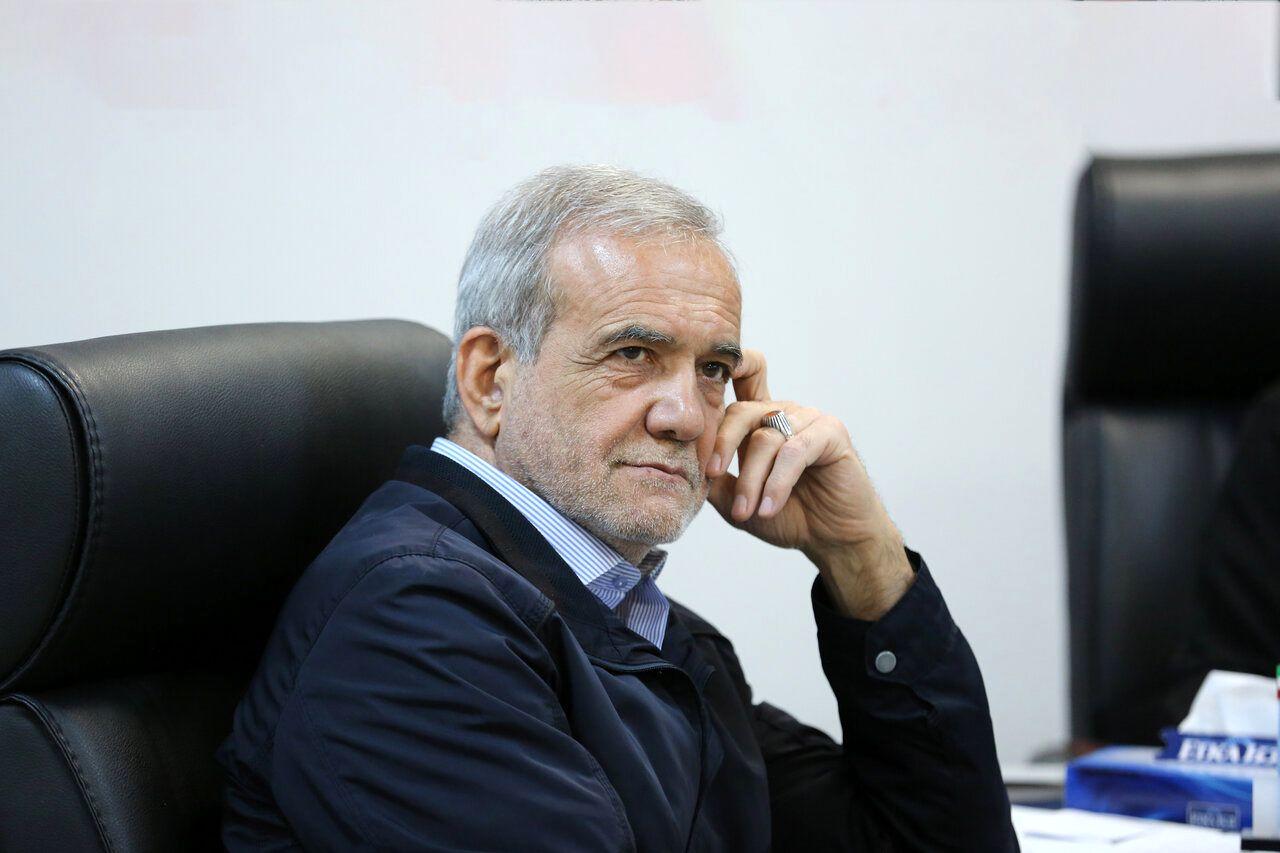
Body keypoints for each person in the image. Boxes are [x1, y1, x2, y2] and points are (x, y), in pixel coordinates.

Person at [217, 165, 1017, 851]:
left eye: (713, 370)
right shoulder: (412, 618)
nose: (686, 415)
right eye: (633, 354)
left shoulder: (631, 617)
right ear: (490, 379)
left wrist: (860, 553)